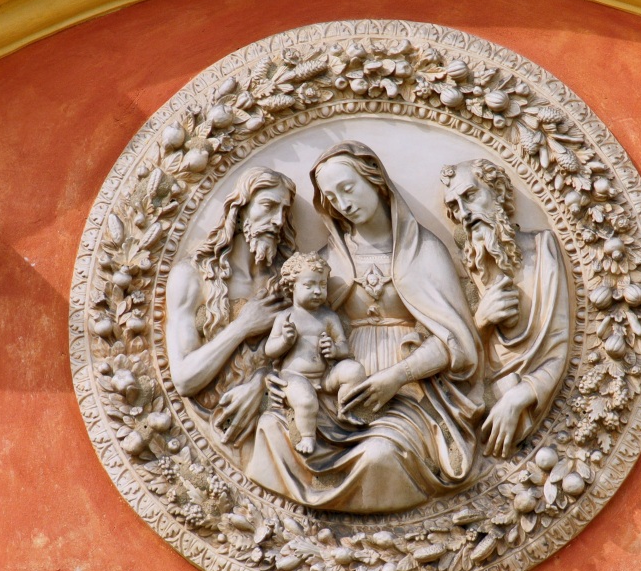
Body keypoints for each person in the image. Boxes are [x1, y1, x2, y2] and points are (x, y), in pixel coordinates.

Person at [246, 141, 485, 513]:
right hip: (332, 393)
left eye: (348, 187)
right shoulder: (327, 262)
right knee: (271, 430)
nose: (342, 203)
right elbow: (295, 329)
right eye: (331, 197)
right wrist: (282, 381)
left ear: (375, 181)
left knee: (380, 454)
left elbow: (455, 341)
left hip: (408, 397)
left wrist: (395, 377)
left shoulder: (424, 251)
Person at [441, 158, 569, 459]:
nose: (466, 214)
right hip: (483, 399)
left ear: (497, 191)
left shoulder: (544, 251)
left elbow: (560, 344)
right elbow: (446, 362)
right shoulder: (460, 274)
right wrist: (479, 323)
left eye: (470, 196)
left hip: (524, 399)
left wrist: (518, 397)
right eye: (455, 207)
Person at [165, 166, 296, 447]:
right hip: (216, 426)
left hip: (278, 416)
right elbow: (185, 378)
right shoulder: (192, 277)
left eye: (284, 211)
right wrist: (244, 326)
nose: (277, 221)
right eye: (268, 206)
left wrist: (262, 382)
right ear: (240, 211)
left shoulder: (285, 279)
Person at [263, 252, 366, 455]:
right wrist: (285, 340)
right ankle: (307, 437)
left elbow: (344, 347)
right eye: (309, 286)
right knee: (305, 400)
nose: (318, 291)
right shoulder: (286, 317)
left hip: (325, 376)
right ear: (292, 286)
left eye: (322, 285)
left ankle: (345, 408)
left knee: (354, 370)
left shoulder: (329, 317)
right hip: (295, 376)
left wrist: (335, 350)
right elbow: (270, 351)